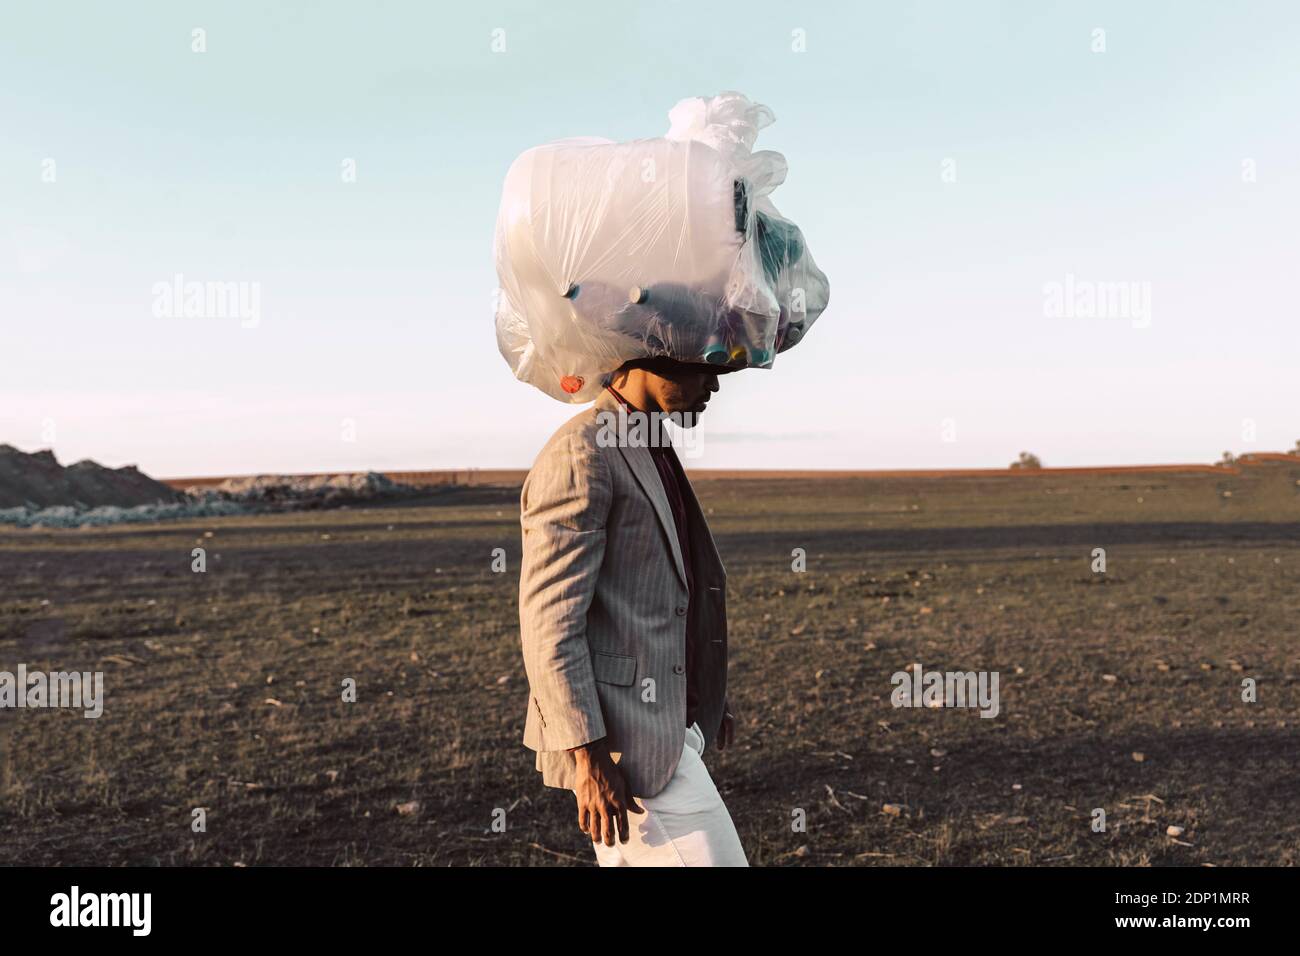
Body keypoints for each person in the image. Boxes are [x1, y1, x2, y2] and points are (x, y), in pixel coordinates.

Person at [517, 355, 748, 866]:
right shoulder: (582, 452)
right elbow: (550, 624)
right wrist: (588, 758)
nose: (712, 385)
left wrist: (702, 689)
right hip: (625, 745)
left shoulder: (651, 443)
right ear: (649, 355)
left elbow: (665, 588)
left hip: (664, 724)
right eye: (702, 367)